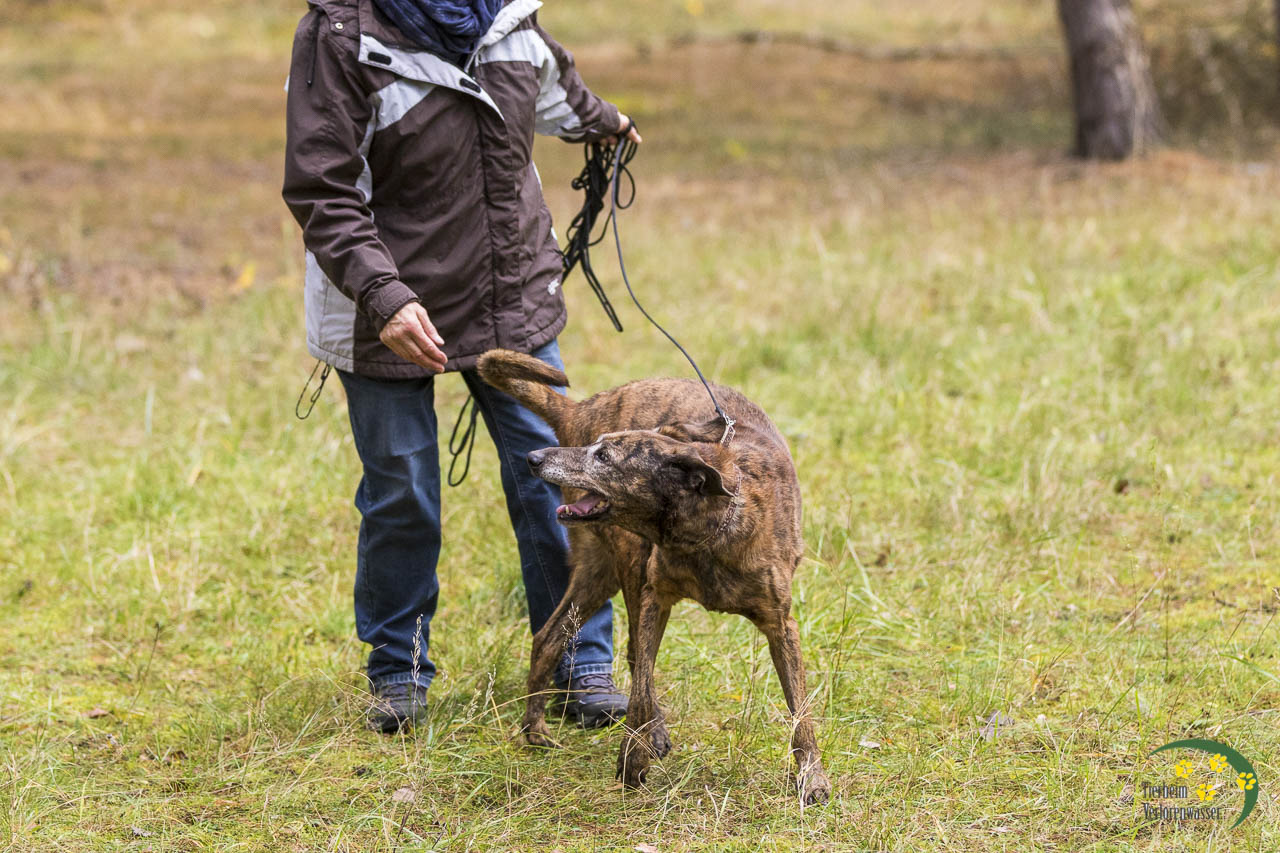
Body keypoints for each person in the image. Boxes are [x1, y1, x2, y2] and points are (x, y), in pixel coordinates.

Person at [282, 0, 642, 733]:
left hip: (508, 295)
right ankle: (399, 669)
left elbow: (555, 91)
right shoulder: (342, 34)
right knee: (403, 492)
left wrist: (605, 122)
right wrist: (384, 298)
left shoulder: (508, 18)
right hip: (382, 303)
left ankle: (578, 658)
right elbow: (323, 187)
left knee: (563, 480)